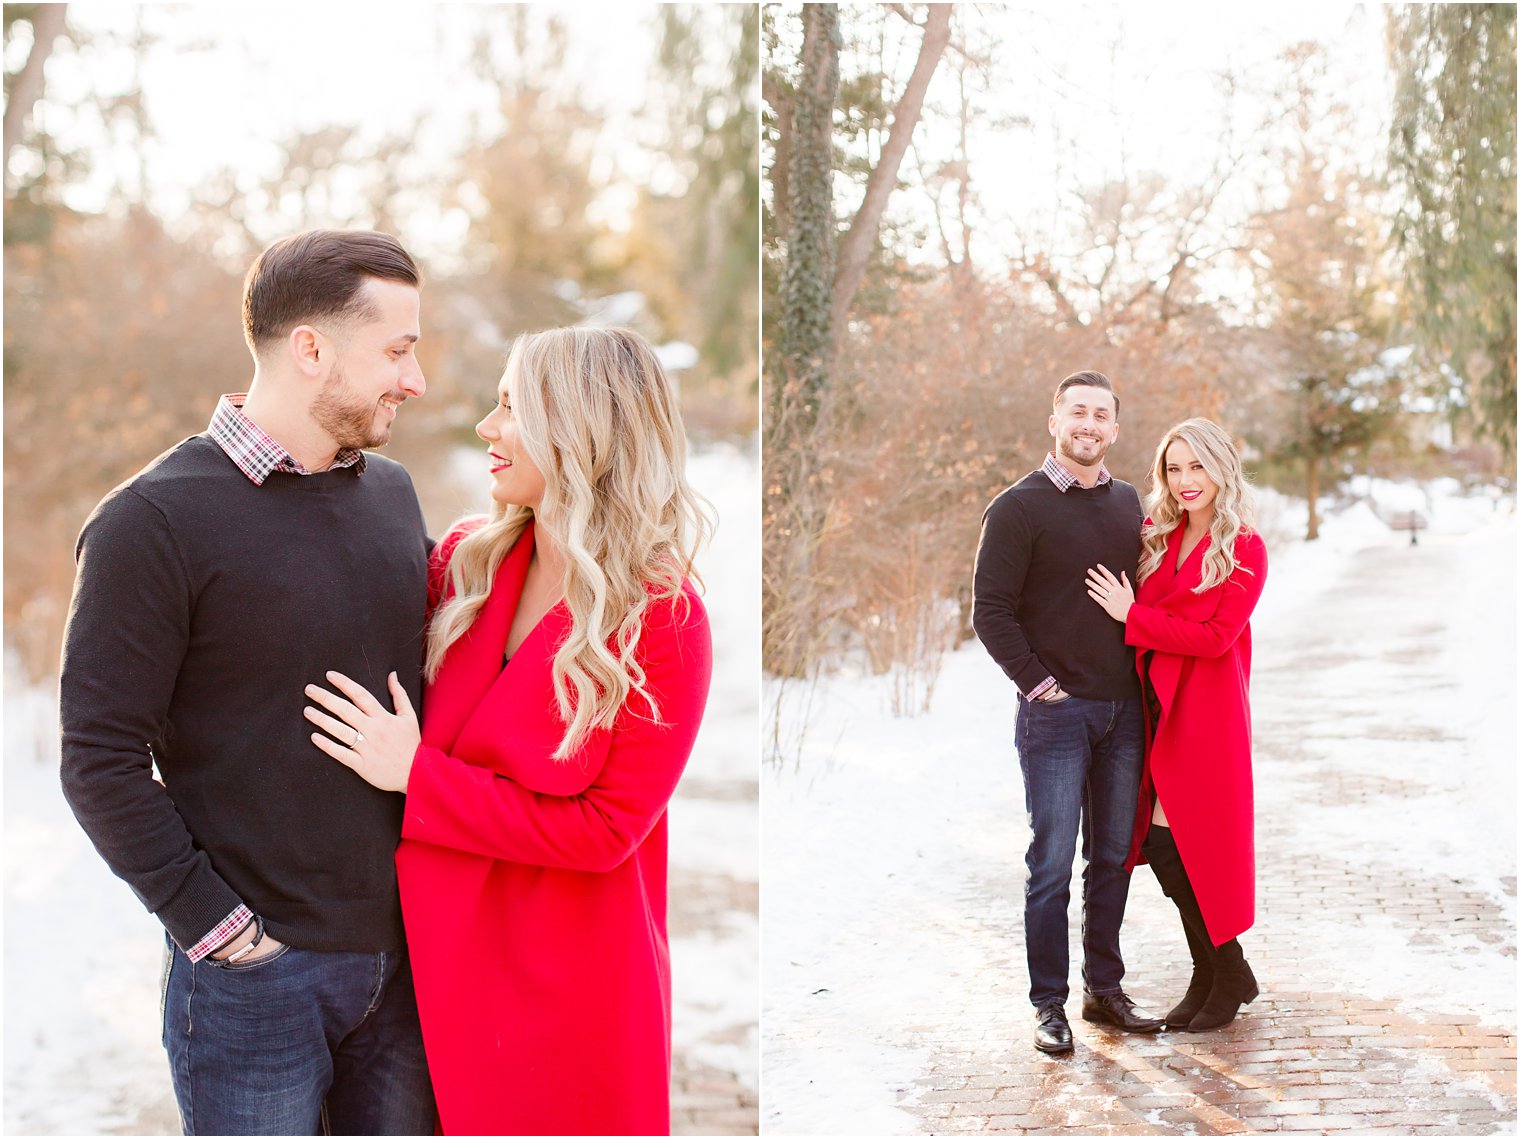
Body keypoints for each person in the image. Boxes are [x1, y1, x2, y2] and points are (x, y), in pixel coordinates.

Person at [59, 229, 437, 1135]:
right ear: (310, 349)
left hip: (408, 973)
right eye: (397, 350)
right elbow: (98, 759)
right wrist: (223, 932)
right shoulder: (150, 522)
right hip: (253, 986)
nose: (414, 381)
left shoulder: (393, 494)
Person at [302, 326, 714, 1135]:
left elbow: (605, 831)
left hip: (569, 987)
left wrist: (418, 776)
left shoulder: (662, 617)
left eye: (508, 408)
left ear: (578, 425)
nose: (487, 430)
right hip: (423, 971)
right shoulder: (467, 563)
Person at [971, 370, 1163, 1055]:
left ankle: (1103, 991)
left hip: (1123, 716)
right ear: (1054, 419)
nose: (1088, 424)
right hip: (1055, 716)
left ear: (1114, 428)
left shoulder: (1130, 504)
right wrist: (1037, 683)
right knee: (1051, 862)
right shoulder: (1017, 508)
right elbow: (988, 610)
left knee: (1112, 856)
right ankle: (1047, 1004)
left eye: (1100, 415)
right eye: (1076, 411)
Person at [1085, 417, 1267, 1031]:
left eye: (1197, 466)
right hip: (1153, 706)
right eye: (1174, 468)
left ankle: (1224, 970)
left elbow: (1216, 639)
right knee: (1161, 840)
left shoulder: (1243, 546)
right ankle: (1217, 970)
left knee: (1189, 841)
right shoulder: (1156, 537)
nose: (1186, 481)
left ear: (1221, 467)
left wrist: (1132, 616)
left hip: (1205, 713)